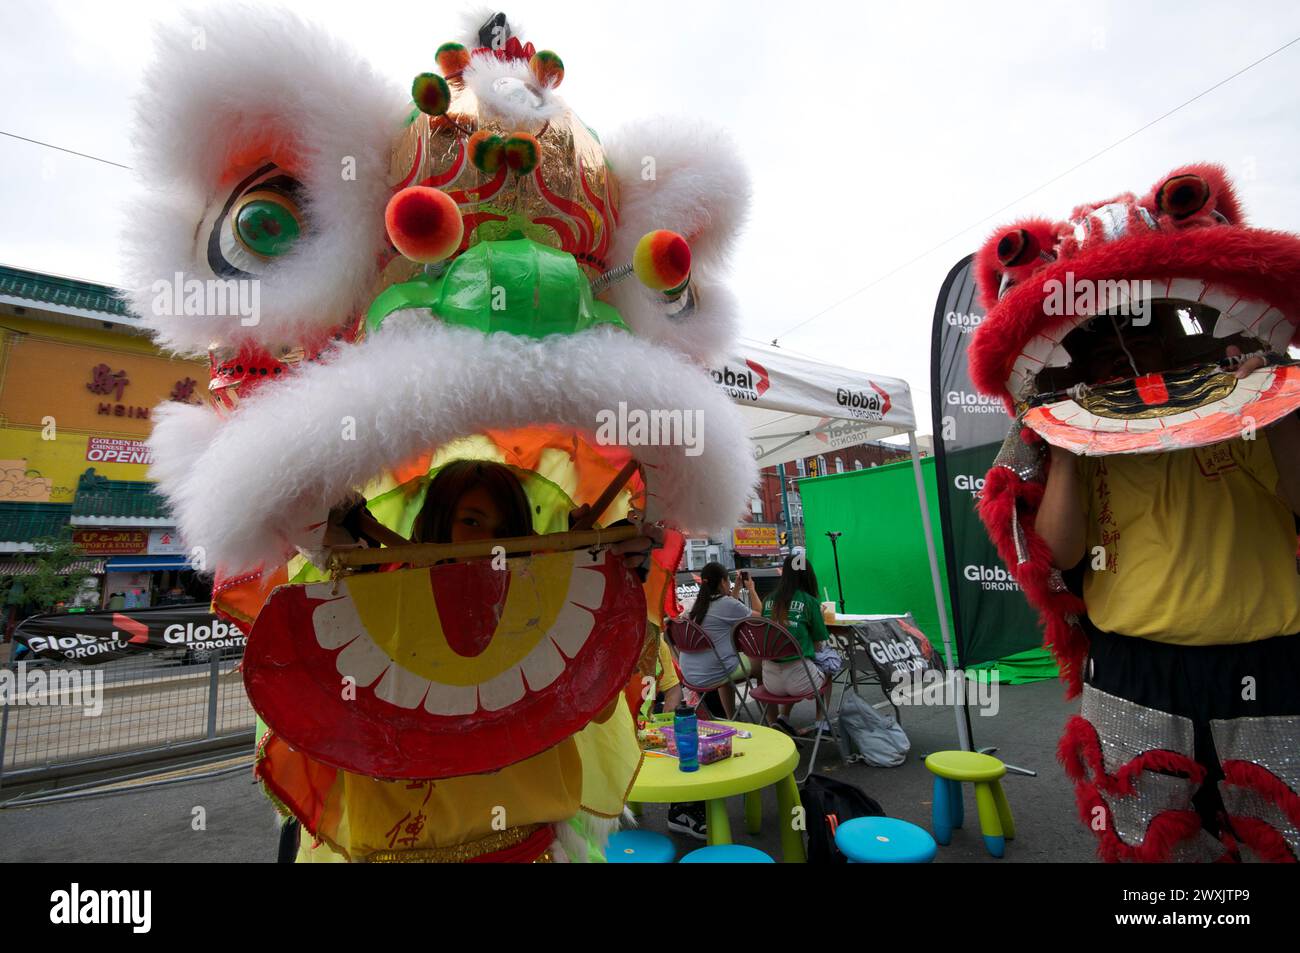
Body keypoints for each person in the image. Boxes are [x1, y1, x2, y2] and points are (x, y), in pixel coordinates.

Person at [1035, 349, 1300, 861]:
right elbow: (1059, 552)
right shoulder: (1090, 432)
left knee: (1285, 832)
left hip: (1265, 666)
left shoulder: (1247, 404)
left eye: (1158, 330)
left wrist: (1276, 401)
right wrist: (1066, 445)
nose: (1135, 356)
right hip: (1132, 671)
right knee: (1150, 839)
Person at [675, 562, 760, 719]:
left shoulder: (699, 605)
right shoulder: (726, 604)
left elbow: (730, 607)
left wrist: (735, 589)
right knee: (761, 664)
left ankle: (731, 717)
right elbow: (760, 617)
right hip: (714, 673)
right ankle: (771, 718)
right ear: (722, 582)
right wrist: (752, 590)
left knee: (724, 662)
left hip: (690, 675)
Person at [761, 551, 831, 735]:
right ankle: (821, 724)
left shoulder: (768, 601)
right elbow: (817, 645)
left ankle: (783, 719)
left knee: (796, 660)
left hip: (770, 682)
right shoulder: (810, 602)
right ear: (808, 575)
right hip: (800, 680)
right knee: (827, 666)